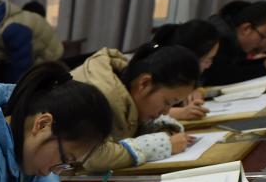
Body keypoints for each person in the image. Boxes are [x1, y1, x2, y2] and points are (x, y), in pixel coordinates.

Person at [70, 44, 200, 172]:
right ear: (144, 83)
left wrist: (161, 129)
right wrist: (163, 145)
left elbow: (125, 130)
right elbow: (93, 157)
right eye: (167, 102)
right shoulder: (98, 94)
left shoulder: (125, 91)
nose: (166, 111)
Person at [203, 0, 266, 86]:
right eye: (263, 37)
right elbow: (220, 76)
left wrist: (263, 63)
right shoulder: (220, 38)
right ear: (246, 29)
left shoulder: (231, 35)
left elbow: (234, 65)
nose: (262, 44)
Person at [150, 20, 221, 121]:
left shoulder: (181, 74)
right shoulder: (158, 72)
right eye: (207, 60)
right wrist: (180, 113)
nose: (208, 65)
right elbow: (143, 112)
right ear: (193, 57)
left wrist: (198, 91)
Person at [0, 0, 63, 82]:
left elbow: (22, 67)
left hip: (49, 59)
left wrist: (14, 91)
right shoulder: (0, 22)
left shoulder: (12, 29)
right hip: (35, 55)